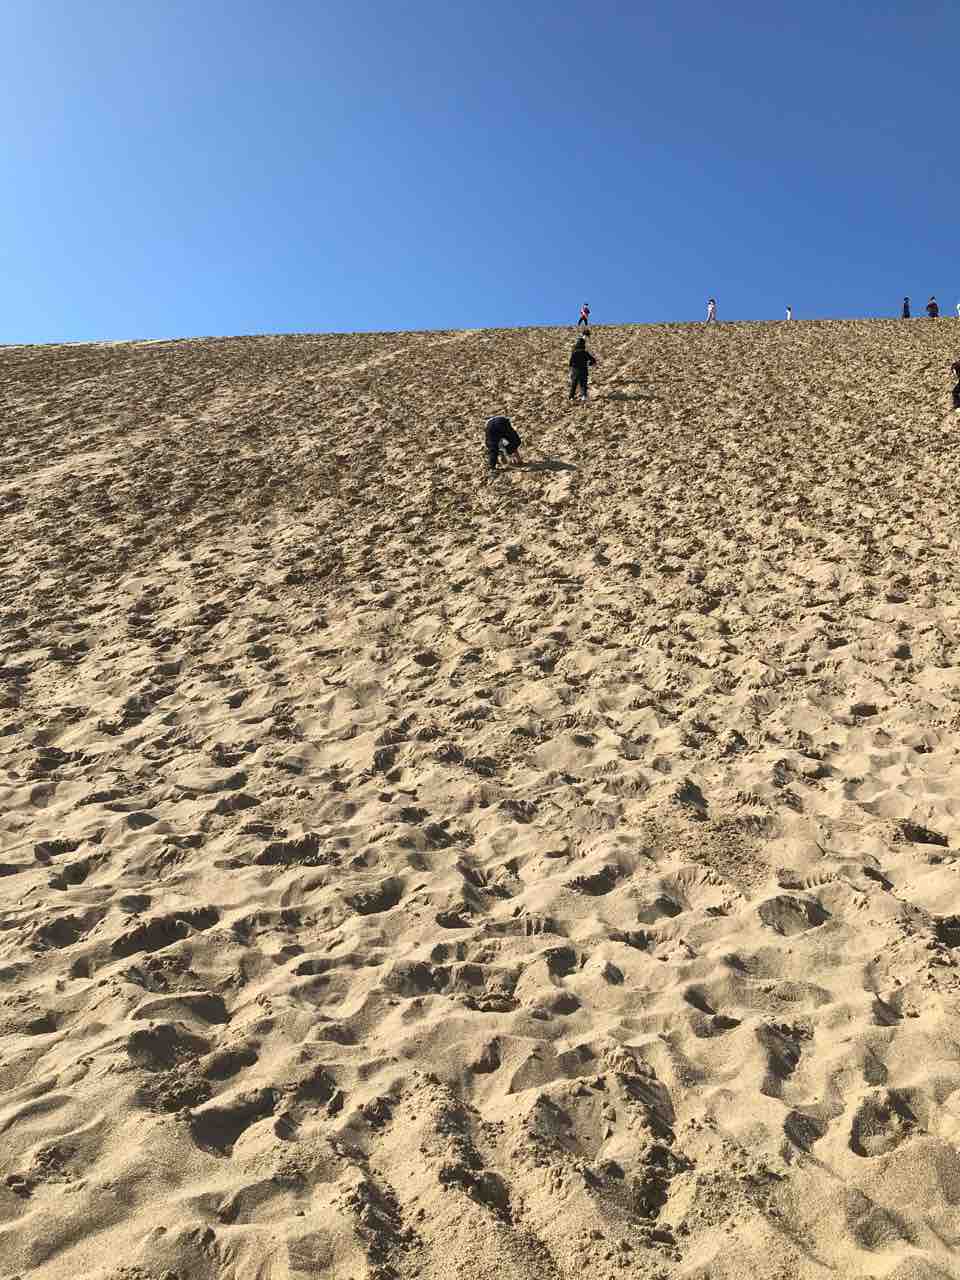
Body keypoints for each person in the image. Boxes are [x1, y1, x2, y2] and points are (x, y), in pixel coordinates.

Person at [569, 336, 597, 401]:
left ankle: (571, 397)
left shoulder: (574, 353)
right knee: (583, 385)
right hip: (584, 371)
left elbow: (570, 363)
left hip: (575, 371)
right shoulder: (585, 353)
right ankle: (583, 396)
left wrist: (571, 369)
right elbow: (593, 360)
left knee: (574, 385)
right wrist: (589, 364)